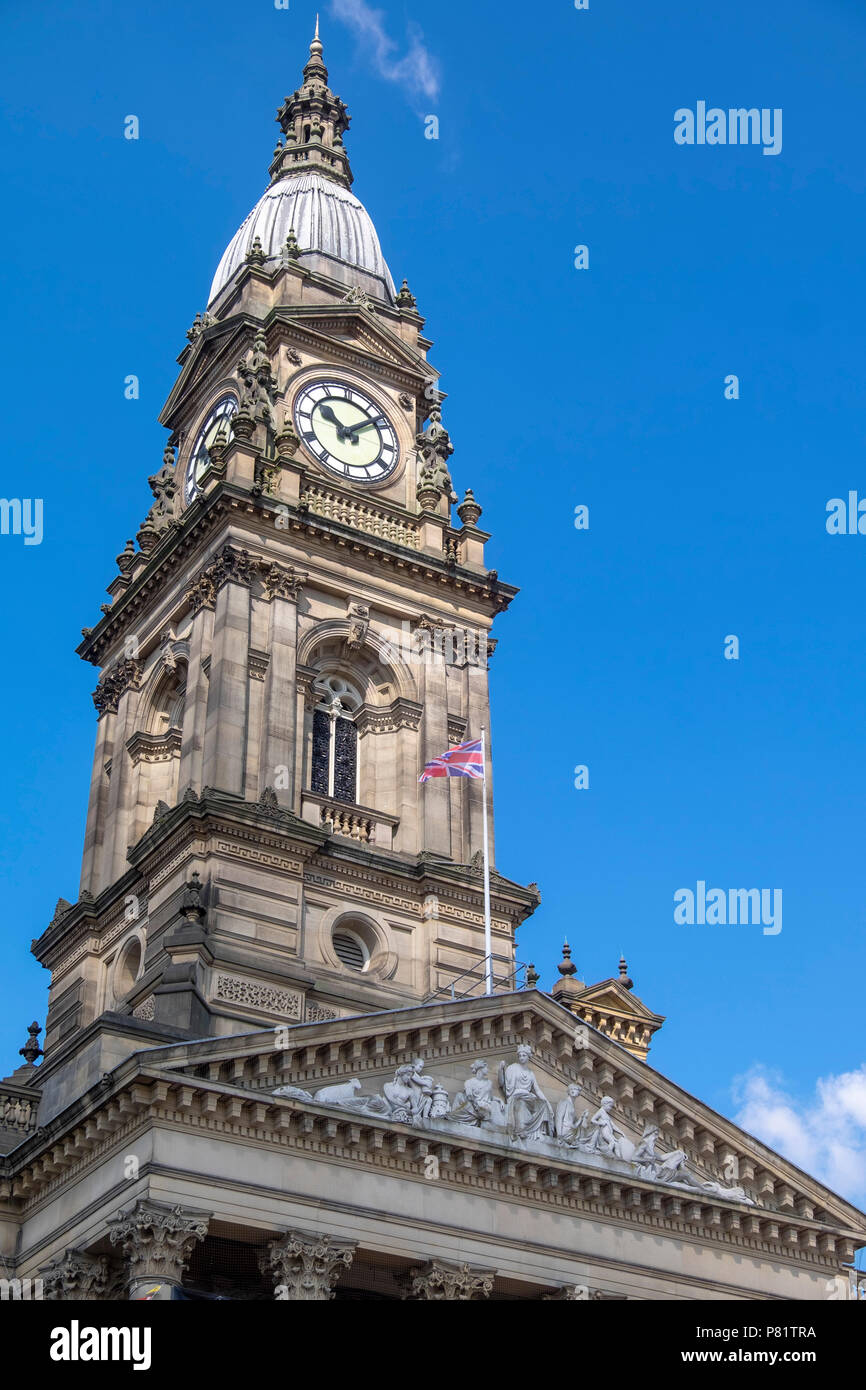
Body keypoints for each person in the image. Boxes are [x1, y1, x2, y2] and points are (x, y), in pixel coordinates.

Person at [498, 1044, 554, 1142]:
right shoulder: (512, 1068)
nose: (521, 1057)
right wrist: (500, 1069)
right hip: (516, 1096)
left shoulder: (530, 1073)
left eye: (524, 1055)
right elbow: (503, 1084)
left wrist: (548, 1104)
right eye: (519, 1055)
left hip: (528, 1097)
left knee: (542, 1104)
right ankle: (521, 1129)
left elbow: (537, 1090)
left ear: (528, 1057)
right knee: (521, 1103)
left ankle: (540, 1132)